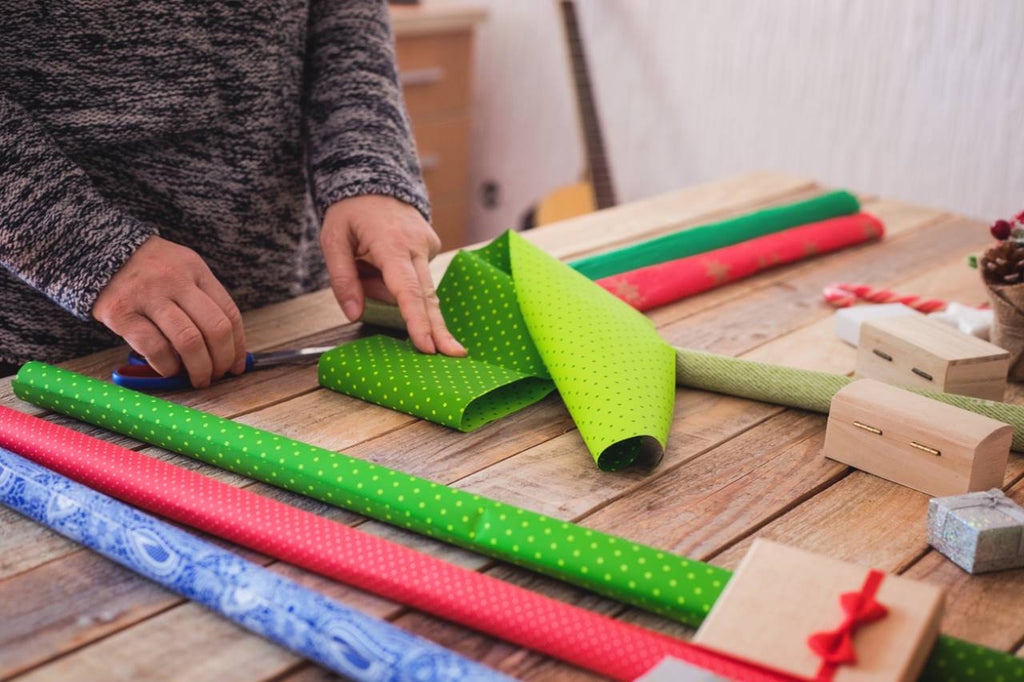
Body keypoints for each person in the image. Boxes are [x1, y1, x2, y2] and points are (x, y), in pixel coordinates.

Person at [0, 0, 466, 385]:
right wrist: (87, 248)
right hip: (45, 353)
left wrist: (369, 172)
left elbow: (345, 17)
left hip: (287, 311)